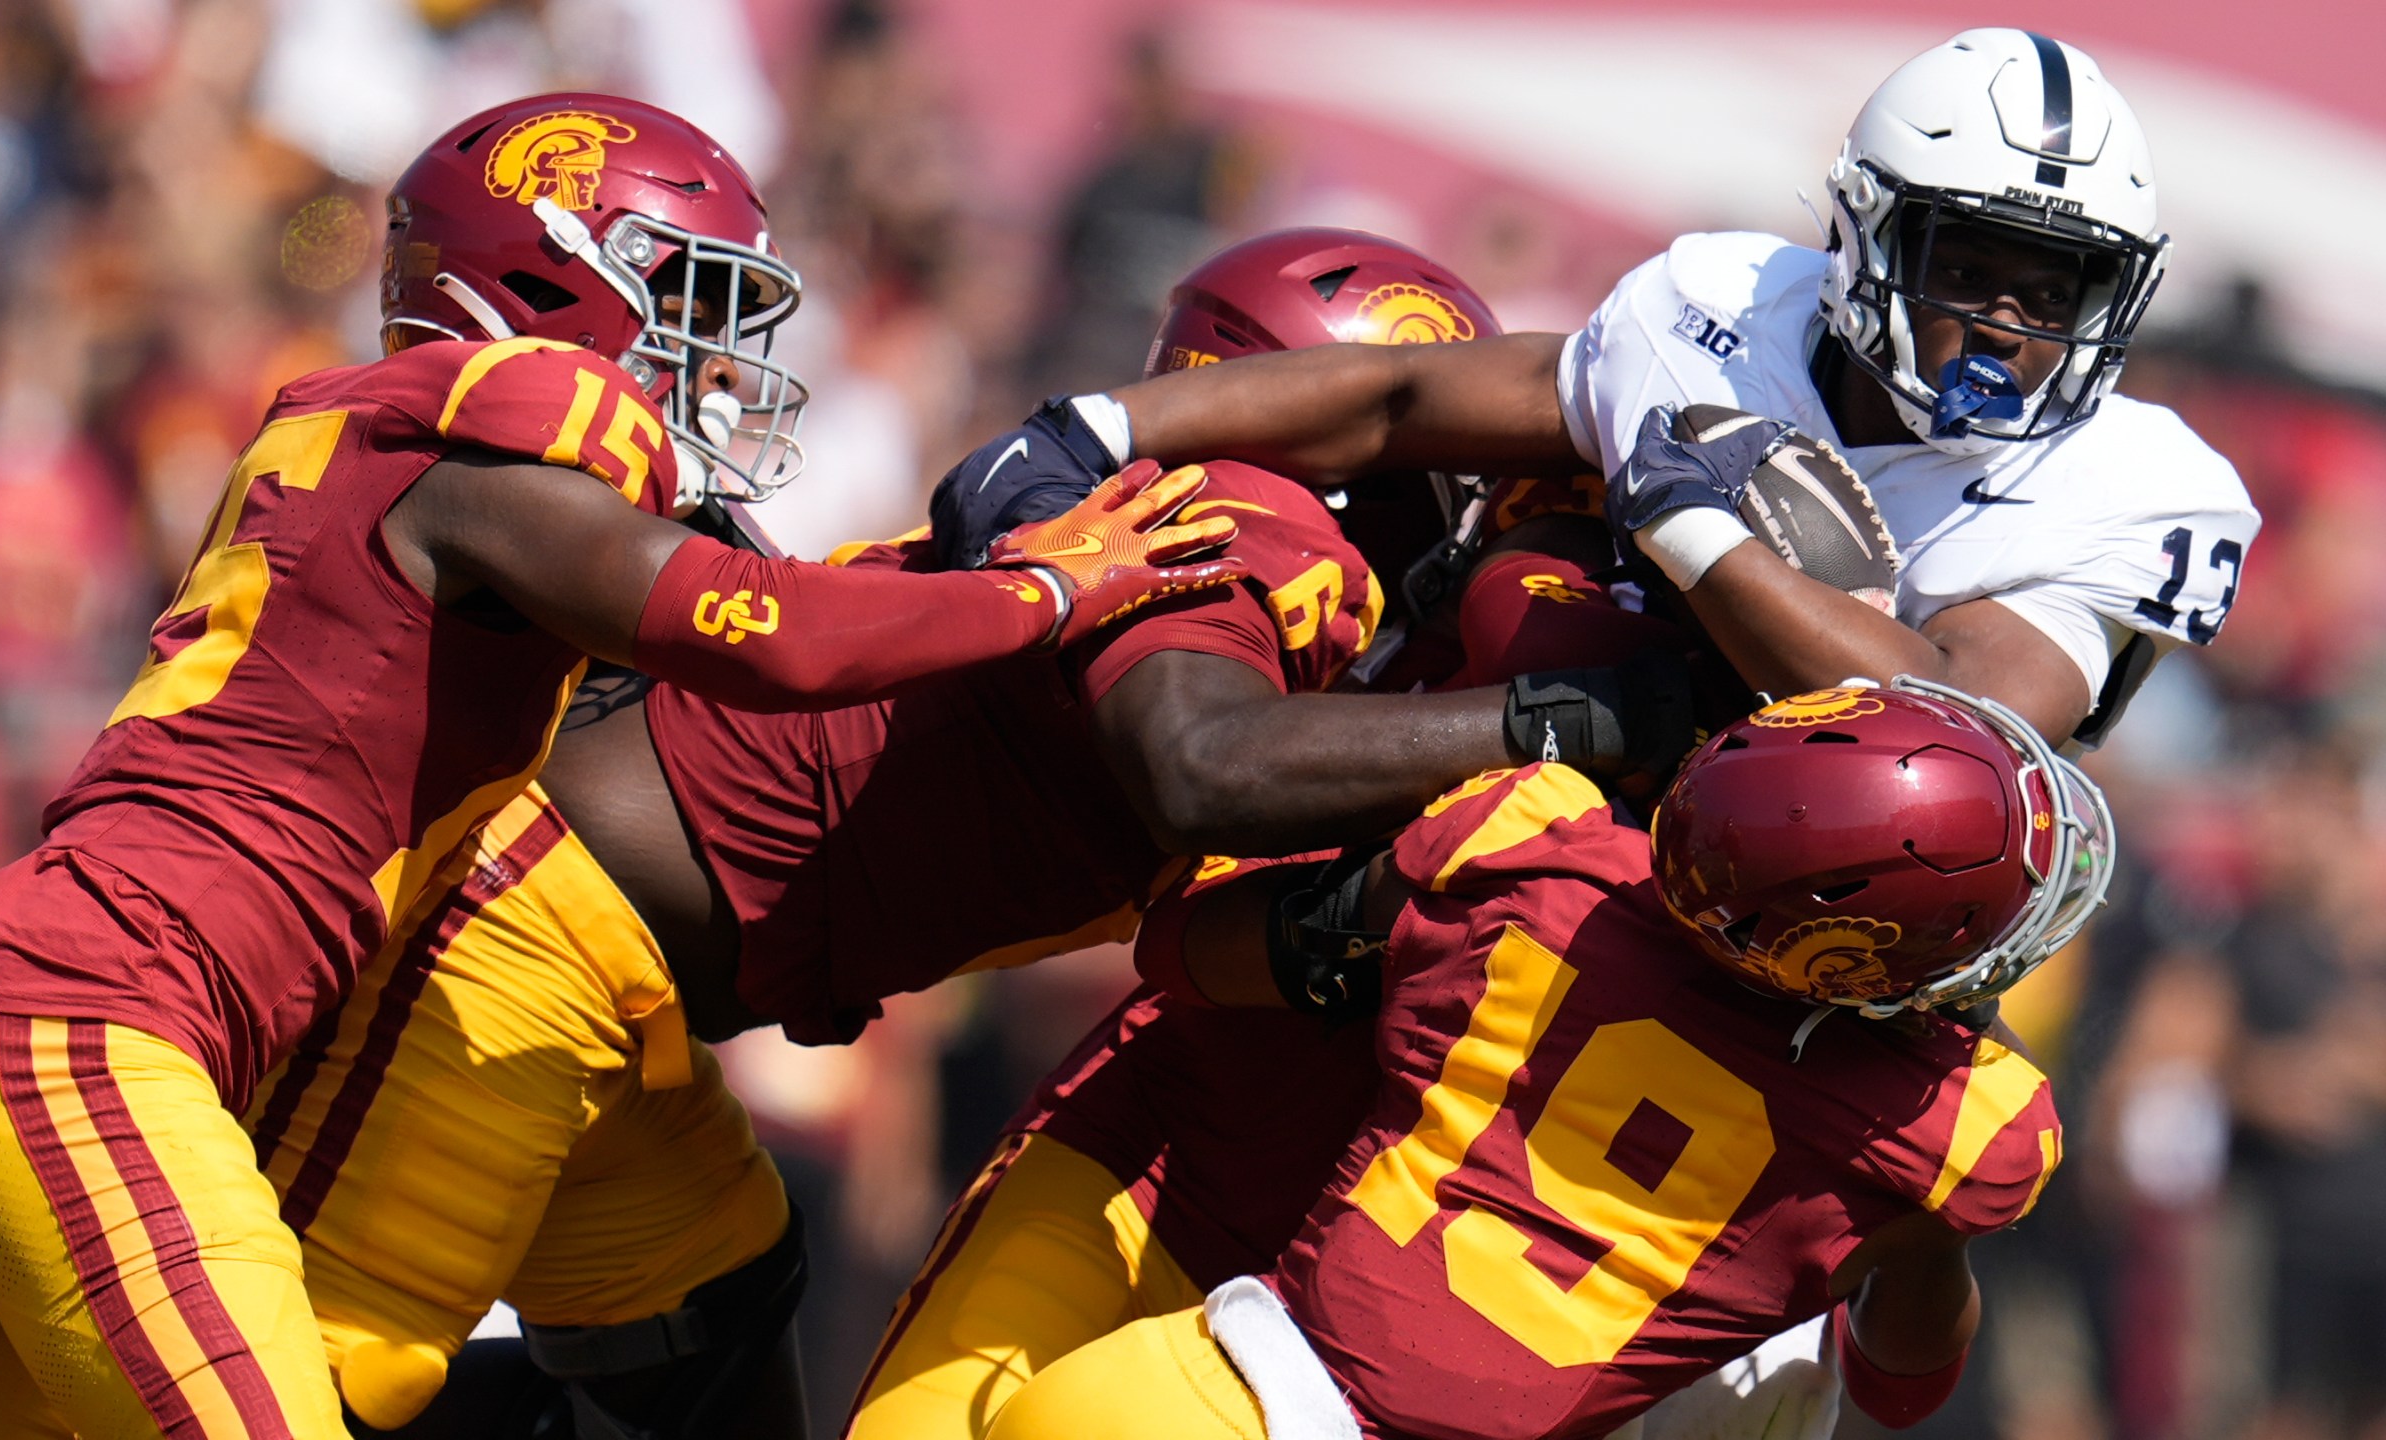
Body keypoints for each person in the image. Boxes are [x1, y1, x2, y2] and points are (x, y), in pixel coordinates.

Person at [0, 93, 1248, 1440]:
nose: (716, 359)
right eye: (689, 304)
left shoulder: (375, 451)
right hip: (86, 1034)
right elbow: (768, 638)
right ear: (554, 281)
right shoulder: (485, 450)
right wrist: (1048, 591)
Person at [244, 231, 1554, 1439]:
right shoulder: (1245, 525)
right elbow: (1201, 767)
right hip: (529, 949)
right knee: (287, 1387)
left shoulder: (1203, 539)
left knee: (706, 1335)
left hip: (623, 973)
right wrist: (1581, 720)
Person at [844, 230, 1719, 1440]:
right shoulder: (1269, 594)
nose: (1467, 520)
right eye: (1430, 467)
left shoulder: (1475, 634)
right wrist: (1544, 745)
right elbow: (1196, 895)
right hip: (1177, 1159)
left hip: (1341, 1258)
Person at [934, 29, 2262, 754]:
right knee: (1537, 588)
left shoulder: (2134, 486)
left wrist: (1700, 538)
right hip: (1550, 836)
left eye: (2056, 292)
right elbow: (1403, 400)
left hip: (1816, 950)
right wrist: (1102, 424)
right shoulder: (1722, 309)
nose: (2009, 324)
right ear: (1864, 239)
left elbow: (1946, 729)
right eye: (1971, 269)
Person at [982, 677, 2108, 1440]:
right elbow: (1901, 1384)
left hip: (1164, 1382)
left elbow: (1188, 954)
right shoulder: (1952, 1132)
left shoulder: (1532, 849)